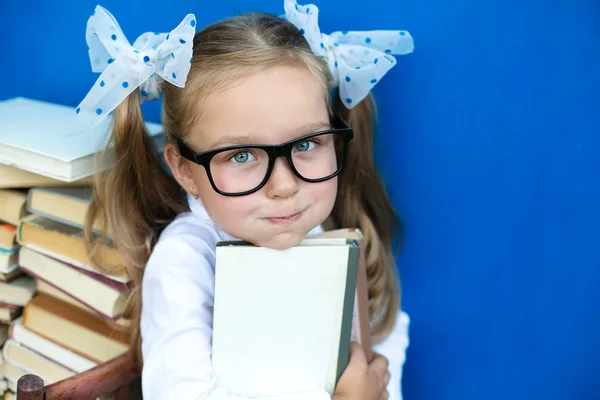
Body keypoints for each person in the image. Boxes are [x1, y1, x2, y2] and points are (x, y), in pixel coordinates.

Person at [78, 1, 414, 399]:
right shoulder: (184, 265)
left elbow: (381, 337)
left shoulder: (322, 232)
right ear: (185, 169)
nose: (285, 186)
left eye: (307, 143)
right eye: (241, 156)